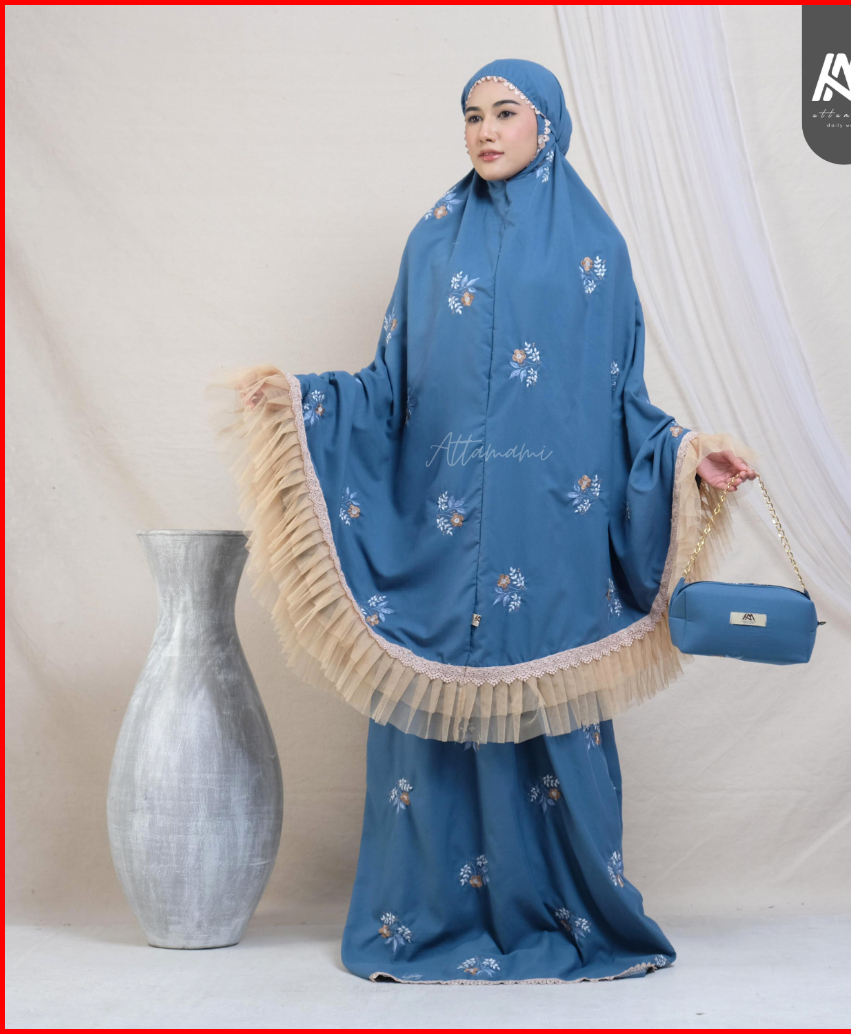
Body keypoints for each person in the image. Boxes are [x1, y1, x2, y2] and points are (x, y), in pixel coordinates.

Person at [213, 58, 756, 984]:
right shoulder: (432, 241)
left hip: (553, 534)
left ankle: (575, 915)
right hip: (444, 529)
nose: (485, 131)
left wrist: (685, 455)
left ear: (549, 125)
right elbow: (391, 386)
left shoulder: (597, 248)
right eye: (472, 115)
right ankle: (424, 921)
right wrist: (301, 401)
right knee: (431, 711)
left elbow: (621, 399)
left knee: (553, 708)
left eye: (506, 112)